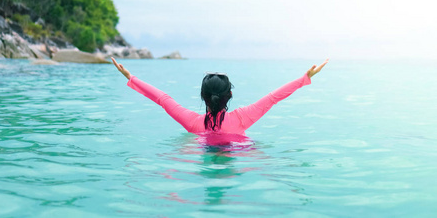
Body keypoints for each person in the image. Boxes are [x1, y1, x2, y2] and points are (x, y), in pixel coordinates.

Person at [111, 58, 328, 135]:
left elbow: (162, 99)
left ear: (202, 96)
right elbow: (273, 97)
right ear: (229, 95)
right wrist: (304, 78)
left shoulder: (192, 123)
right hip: (238, 155)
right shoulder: (242, 118)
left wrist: (131, 77)